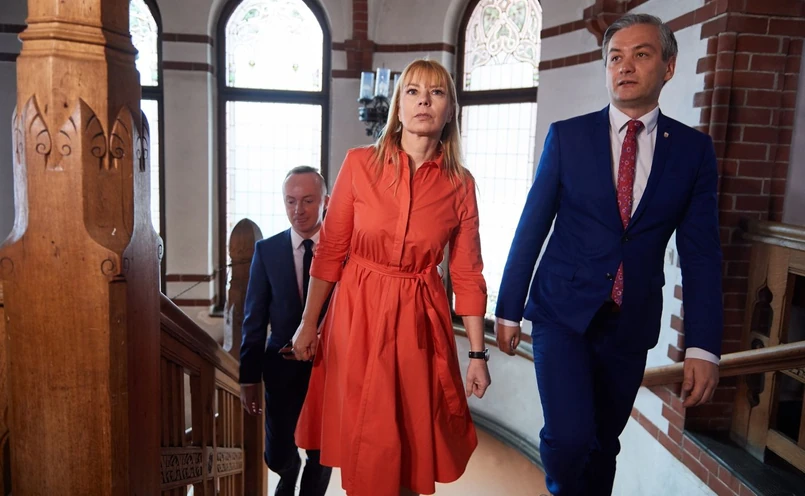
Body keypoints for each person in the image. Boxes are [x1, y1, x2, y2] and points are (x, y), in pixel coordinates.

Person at [494, 14, 723, 496]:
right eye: (615, 57)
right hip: (562, 312)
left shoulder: (693, 152)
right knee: (569, 438)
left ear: (668, 67)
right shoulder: (568, 137)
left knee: (603, 444)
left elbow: (701, 254)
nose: (625, 66)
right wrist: (508, 308)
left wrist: (703, 347)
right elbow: (532, 227)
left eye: (641, 54)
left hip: (630, 320)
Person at [290, 59, 491, 496]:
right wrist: (308, 323)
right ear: (398, 107)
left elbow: (467, 273)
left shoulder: (461, 184)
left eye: (436, 93)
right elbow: (330, 251)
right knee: (367, 440)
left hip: (419, 320)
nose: (424, 101)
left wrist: (477, 354)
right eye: (413, 92)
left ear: (450, 110)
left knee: (410, 442)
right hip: (357, 314)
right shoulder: (359, 164)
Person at [239, 166, 333, 496]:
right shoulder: (266, 250)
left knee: (321, 453)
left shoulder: (343, 251)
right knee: (278, 451)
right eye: (290, 201)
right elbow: (253, 319)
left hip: (328, 369)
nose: (298, 210)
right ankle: (288, 471)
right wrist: (249, 378)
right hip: (280, 368)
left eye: (308, 200)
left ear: (325, 202)